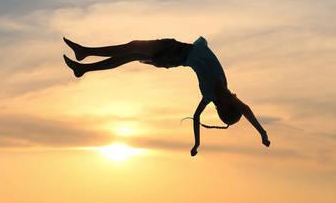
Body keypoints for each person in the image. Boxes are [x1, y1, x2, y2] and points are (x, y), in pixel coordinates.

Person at [62, 37, 271, 155]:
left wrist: (262, 134)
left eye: (223, 108)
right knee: (132, 49)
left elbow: (203, 117)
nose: (229, 101)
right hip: (178, 52)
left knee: (133, 52)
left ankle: (84, 62)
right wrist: (197, 144)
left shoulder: (216, 92)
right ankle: (84, 58)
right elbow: (198, 118)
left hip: (177, 53)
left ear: (226, 105)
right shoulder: (216, 93)